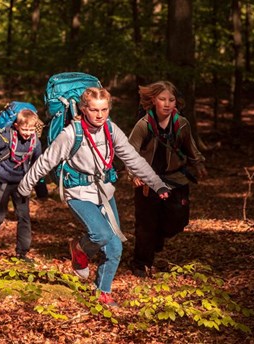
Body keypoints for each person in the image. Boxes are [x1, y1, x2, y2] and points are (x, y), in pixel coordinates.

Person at [18, 87, 170, 307]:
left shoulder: (110, 129)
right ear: (83, 109)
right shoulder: (71, 133)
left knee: (115, 247)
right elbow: (45, 161)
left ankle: (102, 292)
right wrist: (25, 186)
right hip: (78, 193)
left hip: (104, 191)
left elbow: (132, 158)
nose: (100, 115)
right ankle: (79, 250)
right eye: (94, 110)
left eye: (105, 109)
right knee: (101, 234)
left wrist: (157, 184)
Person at [128, 81, 207, 278]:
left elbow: (191, 147)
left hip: (176, 179)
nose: (166, 103)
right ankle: (140, 264)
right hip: (148, 181)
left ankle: (158, 238)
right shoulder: (143, 125)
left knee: (178, 221)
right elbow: (129, 152)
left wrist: (198, 164)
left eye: (171, 100)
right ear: (153, 100)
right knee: (146, 224)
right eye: (162, 99)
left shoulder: (182, 124)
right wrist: (134, 174)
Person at [0, 109, 42, 262]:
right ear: (17, 126)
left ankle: (22, 253)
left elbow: (39, 163)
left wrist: (40, 186)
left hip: (22, 182)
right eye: (24, 129)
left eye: (31, 129)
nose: (27, 133)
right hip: (2, 180)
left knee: (23, 216)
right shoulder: (5, 138)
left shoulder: (35, 142)